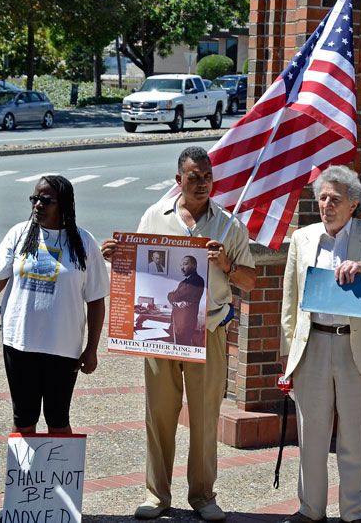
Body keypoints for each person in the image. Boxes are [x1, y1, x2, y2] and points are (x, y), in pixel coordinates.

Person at [102, 146, 256, 521]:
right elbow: (136, 266)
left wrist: (226, 263)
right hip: (163, 334)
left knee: (205, 416)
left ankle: (203, 496)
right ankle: (156, 495)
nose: (202, 183)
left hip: (209, 331)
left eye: (207, 176)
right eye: (193, 177)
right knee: (159, 413)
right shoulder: (155, 216)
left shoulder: (229, 225)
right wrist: (115, 255)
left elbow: (249, 281)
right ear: (178, 181)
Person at [280, 165, 361, 523]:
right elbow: (290, 299)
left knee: (356, 436)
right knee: (312, 435)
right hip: (314, 345)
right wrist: (288, 354)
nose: (326, 205)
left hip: (358, 348)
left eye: (334, 199)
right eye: (321, 198)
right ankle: (310, 510)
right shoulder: (303, 238)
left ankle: (354, 513)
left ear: (353, 204)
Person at [0, 175, 108, 434]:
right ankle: (23, 475)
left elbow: (95, 300)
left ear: (64, 204)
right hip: (20, 344)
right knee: (23, 420)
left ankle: (58, 474)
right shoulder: (19, 234)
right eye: (34, 199)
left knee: (58, 420)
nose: (37, 205)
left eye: (45, 200)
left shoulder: (84, 243)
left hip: (63, 347)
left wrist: (91, 349)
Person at [167, 255, 205, 346]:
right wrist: (174, 299)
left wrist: (172, 296)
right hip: (177, 322)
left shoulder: (197, 280)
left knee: (183, 348)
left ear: (194, 266)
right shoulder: (184, 282)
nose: (182, 268)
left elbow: (175, 296)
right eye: (181, 265)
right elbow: (173, 297)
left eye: (185, 264)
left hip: (185, 324)